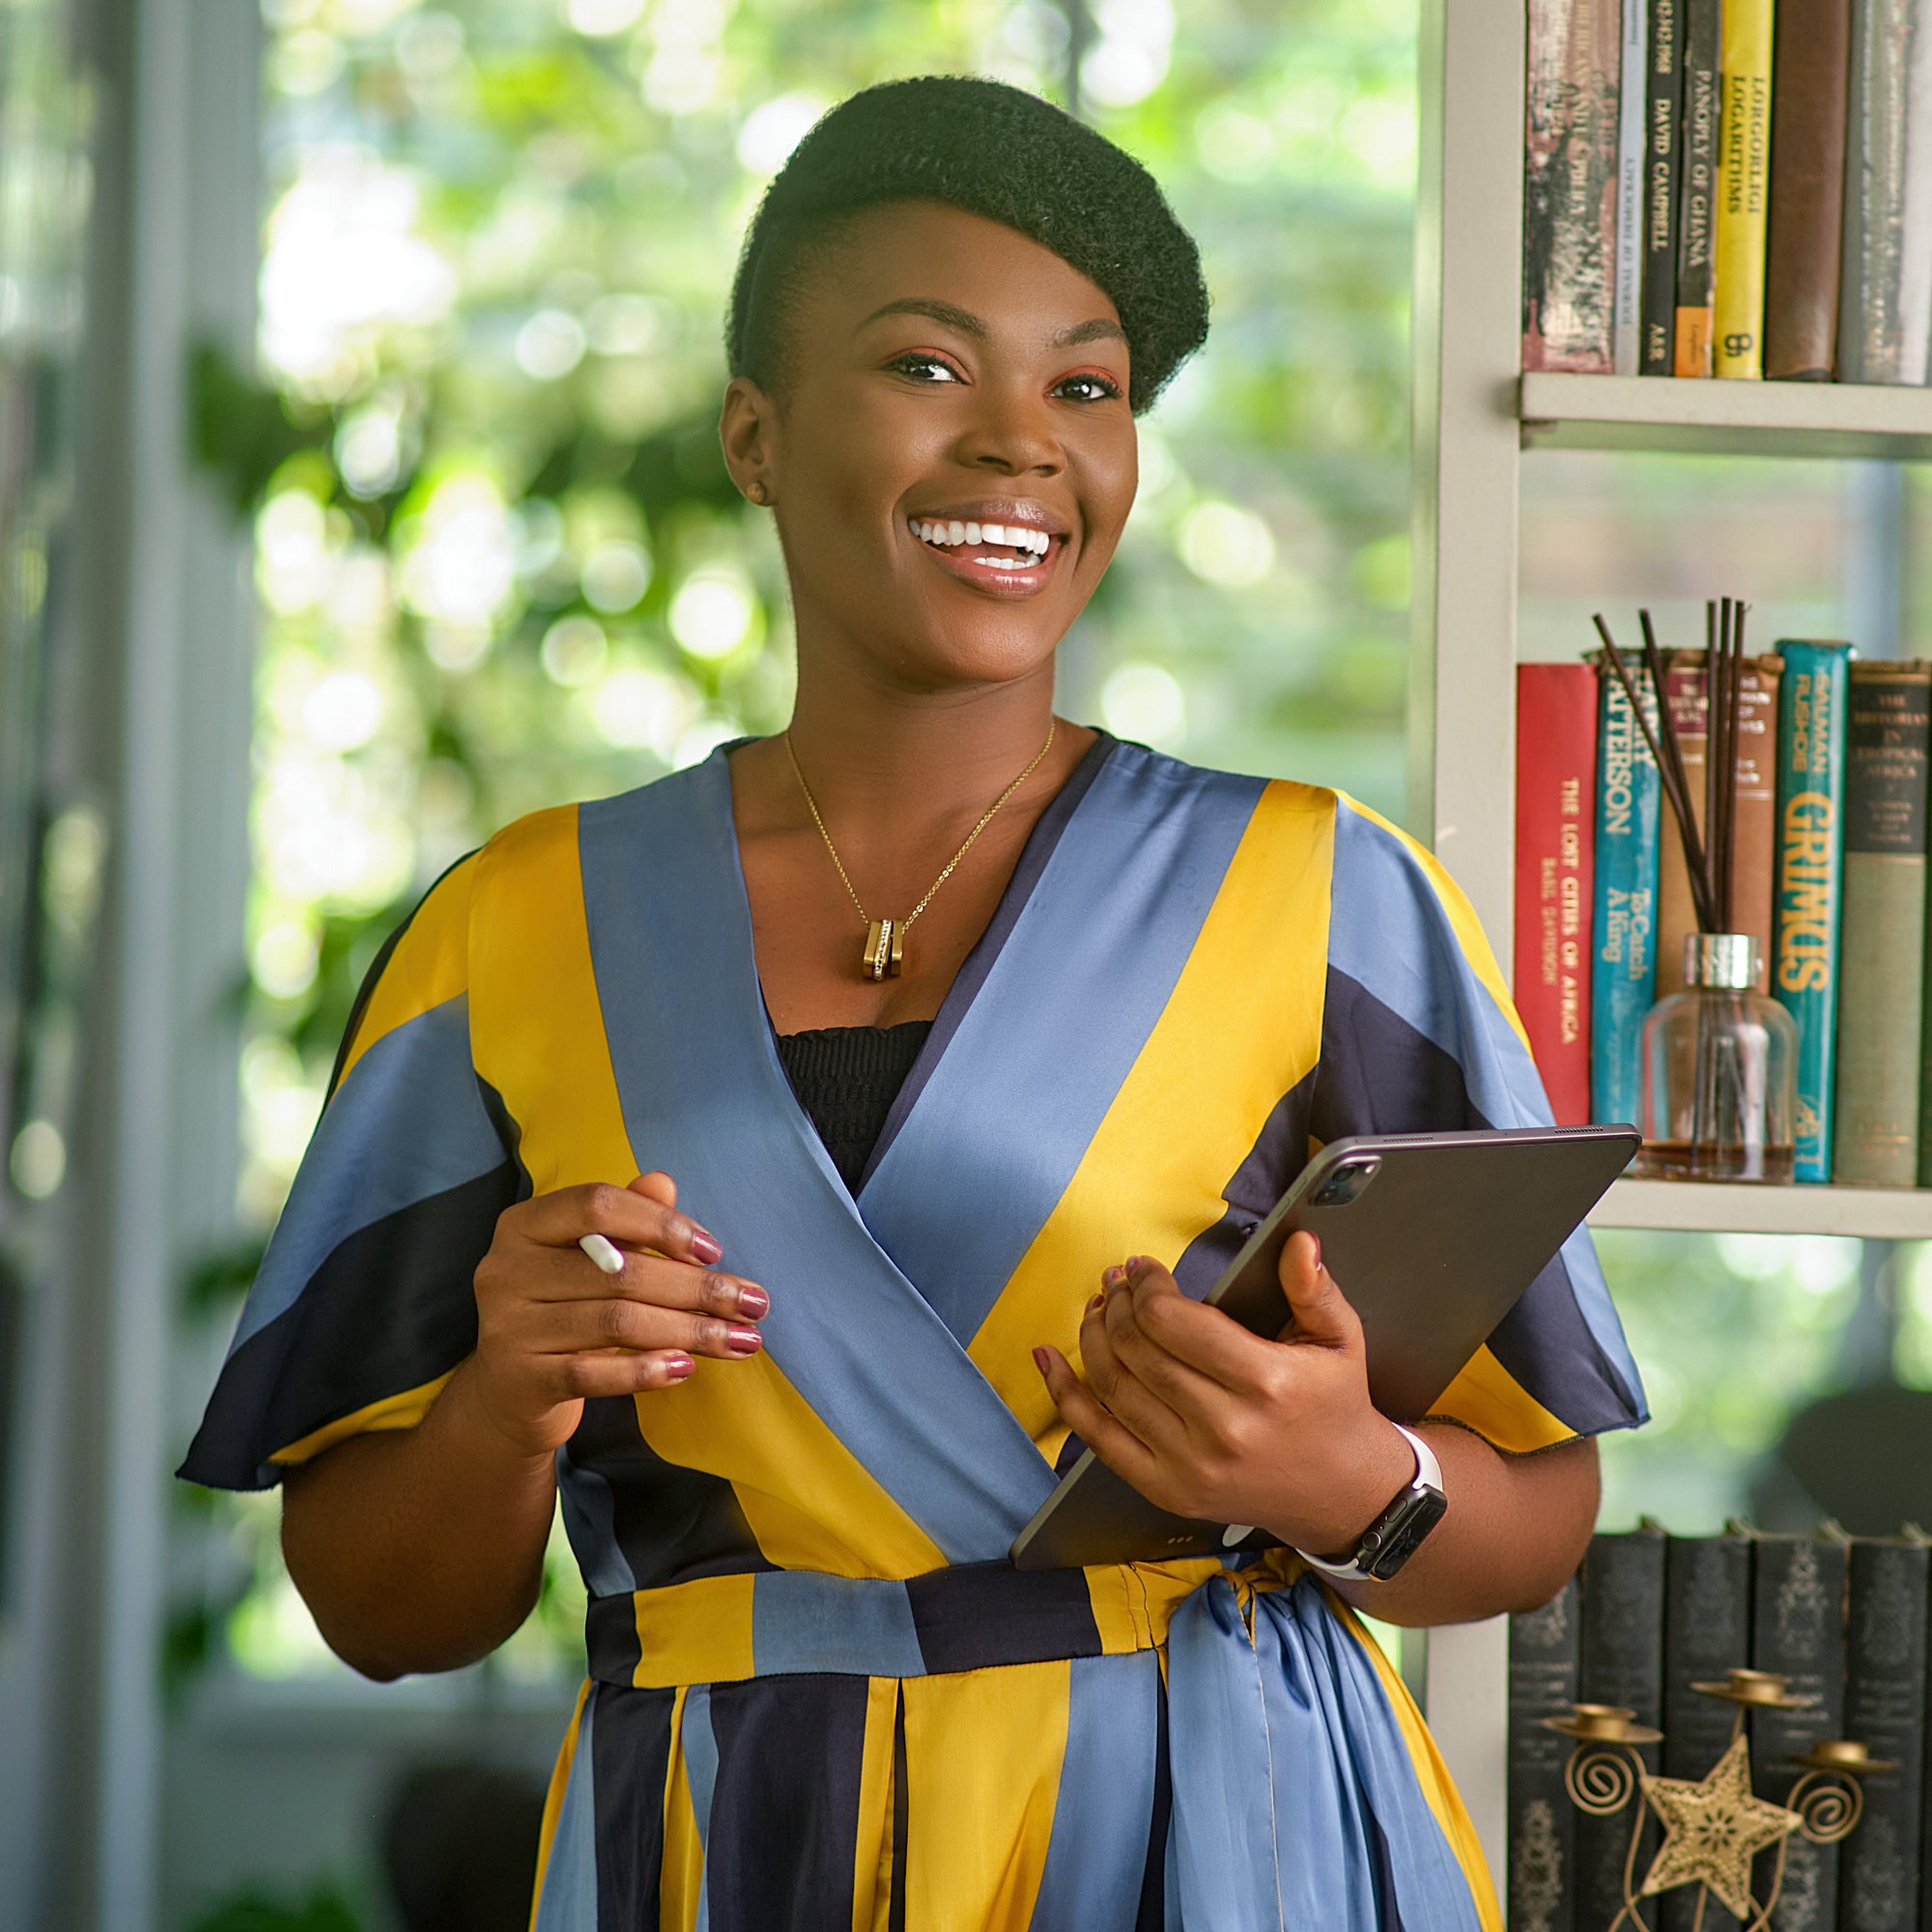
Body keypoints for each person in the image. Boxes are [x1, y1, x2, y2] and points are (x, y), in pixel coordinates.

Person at [183, 76, 1646, 1930]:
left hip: (1217, 1836)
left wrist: (1347, 1476)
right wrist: (498, 1407)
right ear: (754, 433)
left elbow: (1542, 1500)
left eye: (1087, 387)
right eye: (929, 369)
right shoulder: (508, 930)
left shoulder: (1322, 895)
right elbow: (381, 1611)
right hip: (721, 1843)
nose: (1024, 446)